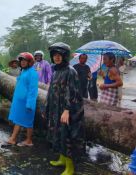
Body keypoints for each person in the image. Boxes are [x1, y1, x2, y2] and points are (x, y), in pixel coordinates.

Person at [45, 42, 84, 175]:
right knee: (59, 135)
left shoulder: (70, 71)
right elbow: (51, 90)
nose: (56, 57)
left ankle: (70, 168)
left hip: (68, 112)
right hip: (56, 109)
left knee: (68, 137)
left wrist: (67, 110)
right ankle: (62, 159)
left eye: (59, 55)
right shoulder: (56, 70)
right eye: (54, 55)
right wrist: (47, 107)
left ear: (65, 56)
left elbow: (73, 92)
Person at [5, 52, 38, 147]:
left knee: (28, 122)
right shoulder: (24, 71)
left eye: (25, 60)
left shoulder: (33, 73)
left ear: (30, 62)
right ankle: (13, 139)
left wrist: (30, 104)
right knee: (18, 119)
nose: (23, 62)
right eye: (22, 60)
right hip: (20, 102)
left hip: (26, 102)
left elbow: (33, 90)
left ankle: (28, 140)